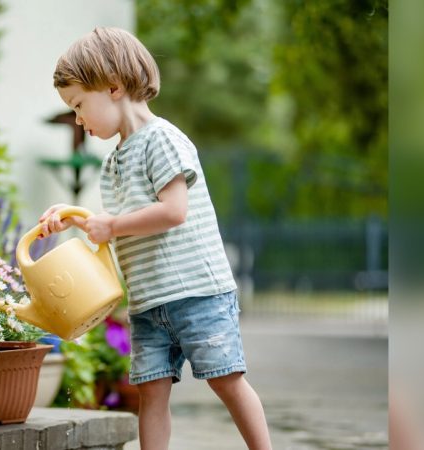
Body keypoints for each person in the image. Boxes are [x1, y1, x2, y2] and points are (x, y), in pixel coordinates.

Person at [37, 27, 272, 450]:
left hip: (198, 293)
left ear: (112, 86)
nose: (77, 119)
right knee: (150, 393)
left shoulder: (161, 140)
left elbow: (172, 211)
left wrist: (110, 225)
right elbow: (125, 222)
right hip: (149, 302)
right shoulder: (113, 163)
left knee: (227, 380)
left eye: (78, 105)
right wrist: (77, 219)